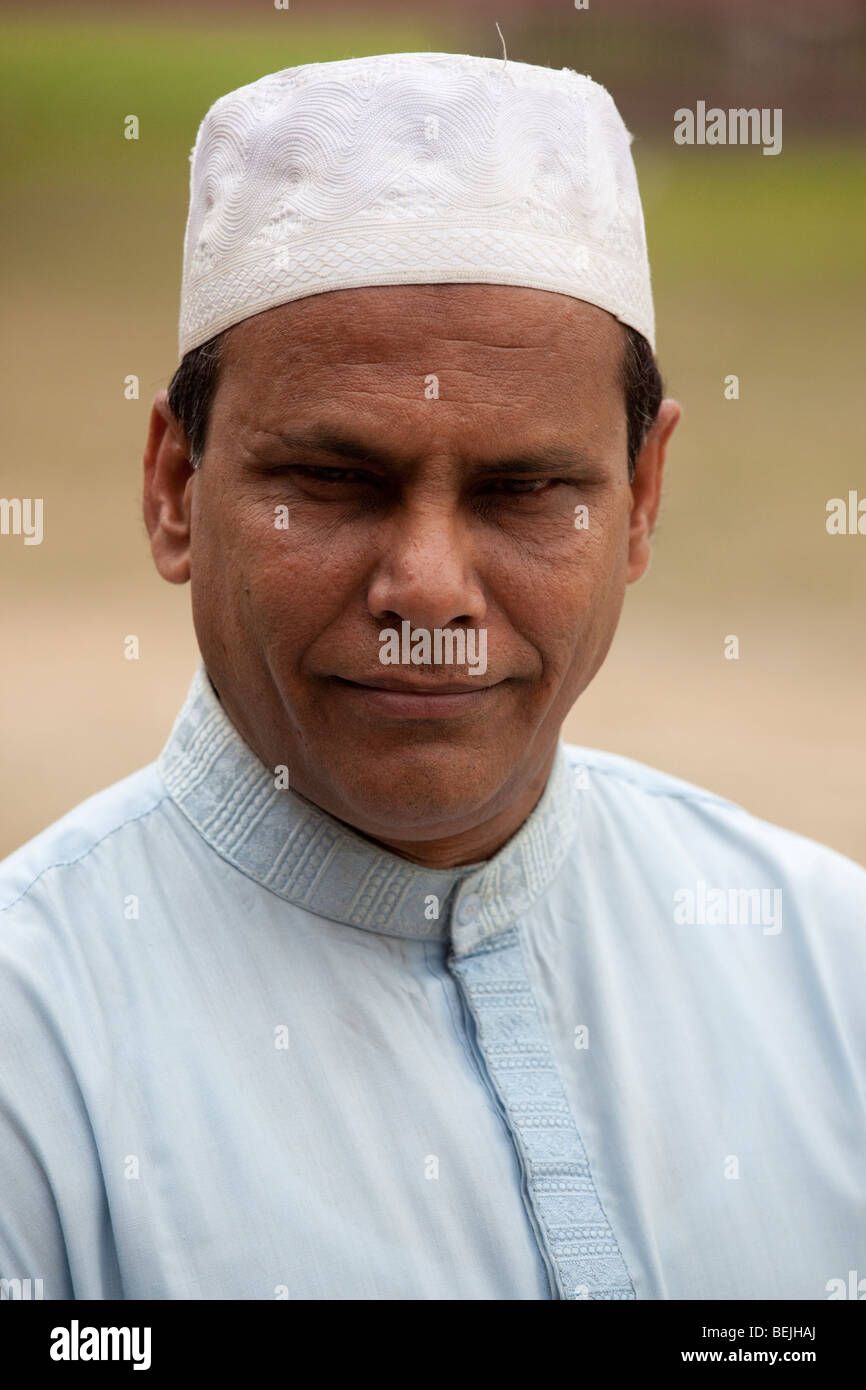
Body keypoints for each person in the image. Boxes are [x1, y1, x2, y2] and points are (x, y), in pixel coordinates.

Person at [1, 52, 863, 1302]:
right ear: (176, 490)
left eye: (525, 490)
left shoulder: (826, 970)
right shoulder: (36, 1049)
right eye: (335, 482)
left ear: (640, 499)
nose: (428, 588)